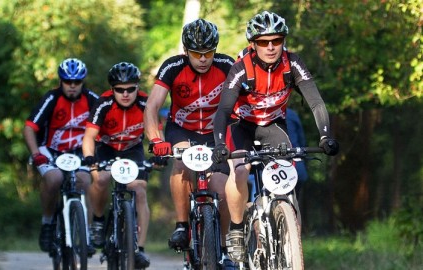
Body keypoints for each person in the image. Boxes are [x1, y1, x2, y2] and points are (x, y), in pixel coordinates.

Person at [211, 11, 339, 262]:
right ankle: (236, 229)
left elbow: (316, 102)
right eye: (263, 42)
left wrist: (325, 136)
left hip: (272, 125)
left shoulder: (293, 63)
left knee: (288, 182)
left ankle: (292, 245)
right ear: (253, 44)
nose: (270, 47)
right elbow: (224, 110)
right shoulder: (241, 69)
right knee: (239, 171)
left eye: (276, 40)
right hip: (241, 125)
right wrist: (218, 144)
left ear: (283, 41)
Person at [143, 19, 236, 266]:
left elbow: (244, 99)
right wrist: (155, 139)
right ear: (186, 51)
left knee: (221, 186)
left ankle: (226, 251)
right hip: (181, 130)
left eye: (208, 53)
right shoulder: (172, 67)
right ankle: (182, 225)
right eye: (196, 53)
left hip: (215, 133)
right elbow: (152, 107)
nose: (203, 58)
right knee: (182, 162)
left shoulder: (227, 65)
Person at [23, 58, 99, 255]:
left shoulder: (92, 99)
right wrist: (36, 154)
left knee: (84, 181)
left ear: (83, 82)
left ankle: (86, 235)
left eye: (77, 82)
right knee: (54, 179)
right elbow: (29, 128)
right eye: (68, 82)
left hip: (79, 152)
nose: (72, 86)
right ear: (60, 81)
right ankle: (48, 222)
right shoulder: (51, 98)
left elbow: (106, 124)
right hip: (51, 151)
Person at [82, 62, 150, 268]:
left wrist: (159, 152)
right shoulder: (103, 103)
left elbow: (155, 132)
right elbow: (89, 137)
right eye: (120, 90)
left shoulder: (146, 103)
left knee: (139, 189)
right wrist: (89, 157)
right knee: (100, 178)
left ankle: (140, 248)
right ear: (112, 90)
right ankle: (99, 220)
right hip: (107, 147)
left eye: (130, 89)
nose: (126, 94)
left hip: (132, 148)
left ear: (137, 87)